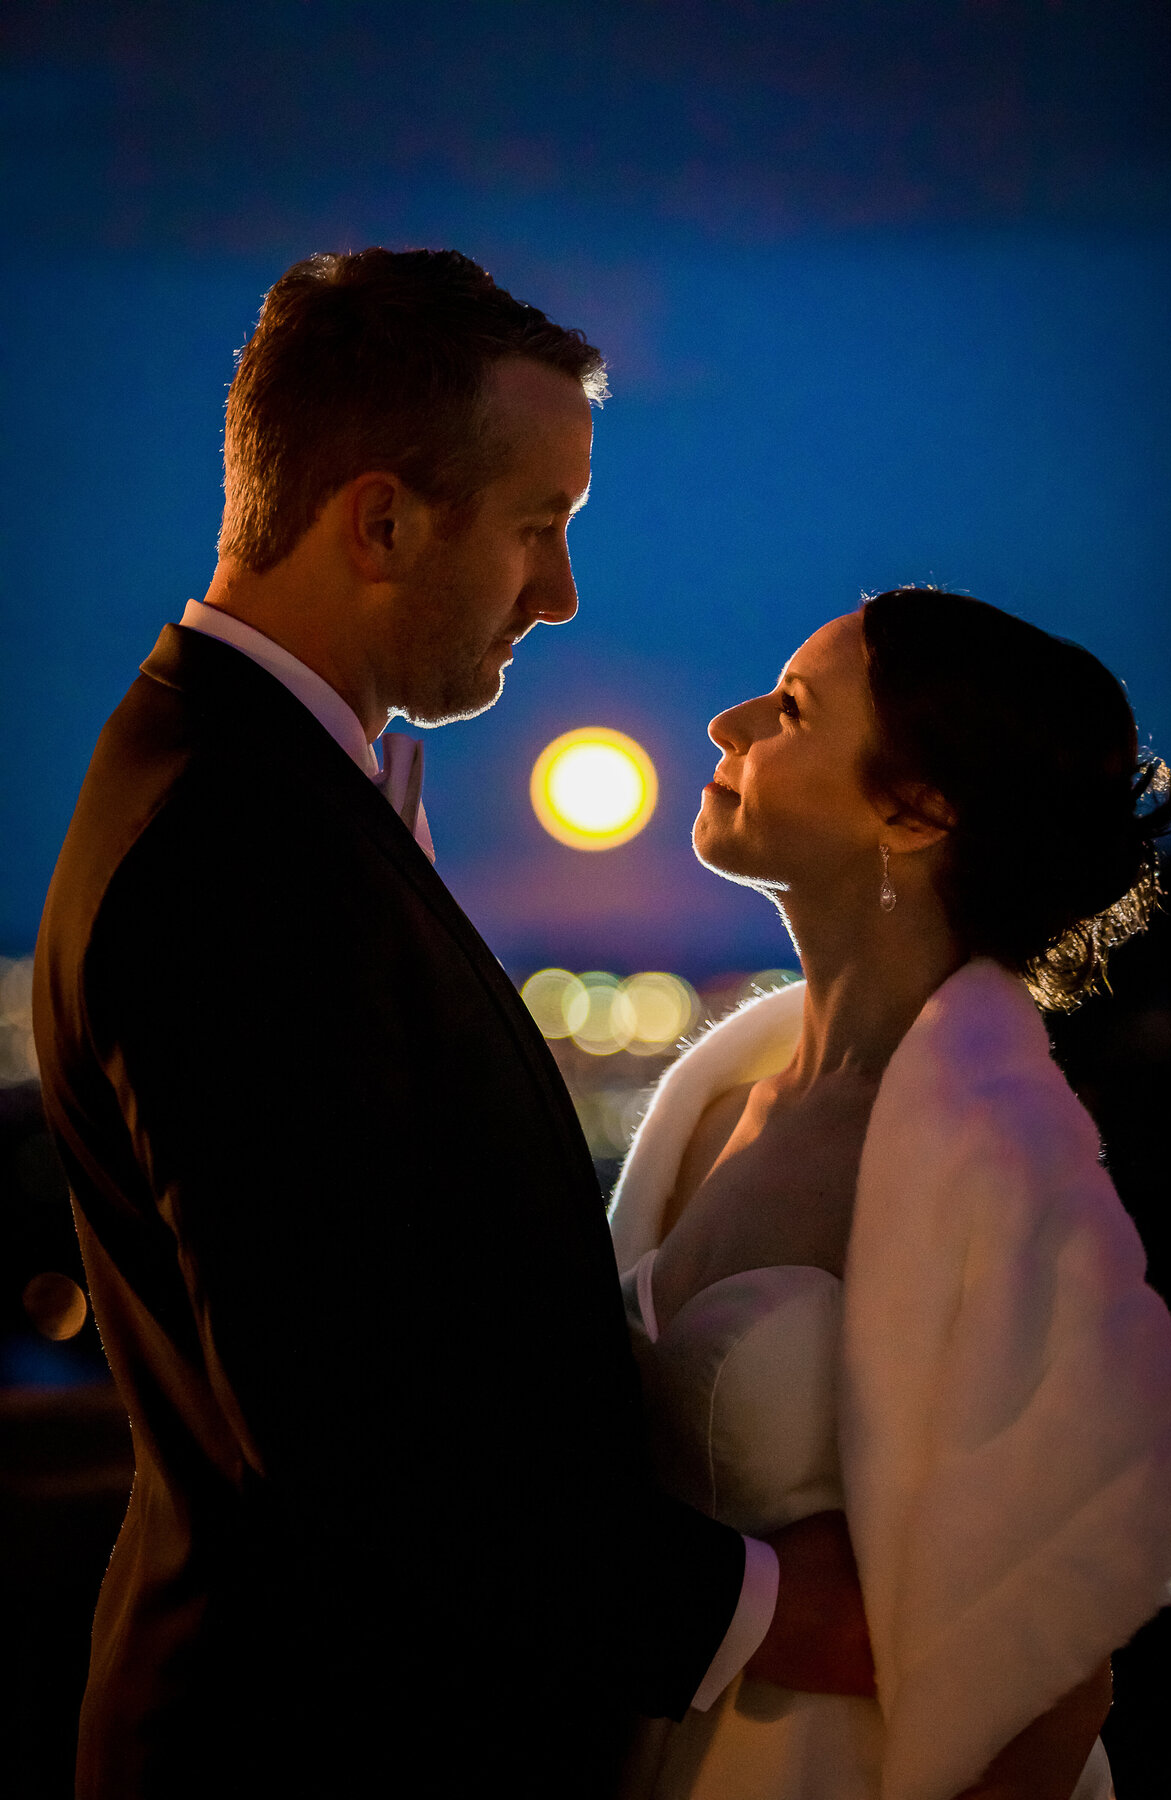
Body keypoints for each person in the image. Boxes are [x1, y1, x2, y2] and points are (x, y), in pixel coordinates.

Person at [32, 249, 871, 1800]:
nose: (561, 595)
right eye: (539, 529)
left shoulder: (256, 790)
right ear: (383, 521)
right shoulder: (233, 849)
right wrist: (763, 1609)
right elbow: (349, 1436)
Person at [609, 588, 1171, 1800]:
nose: (726, 725)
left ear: (915, 809)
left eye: (788, 710)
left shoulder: (998, 1153)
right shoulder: (723, 1099)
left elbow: (1059, 1678)